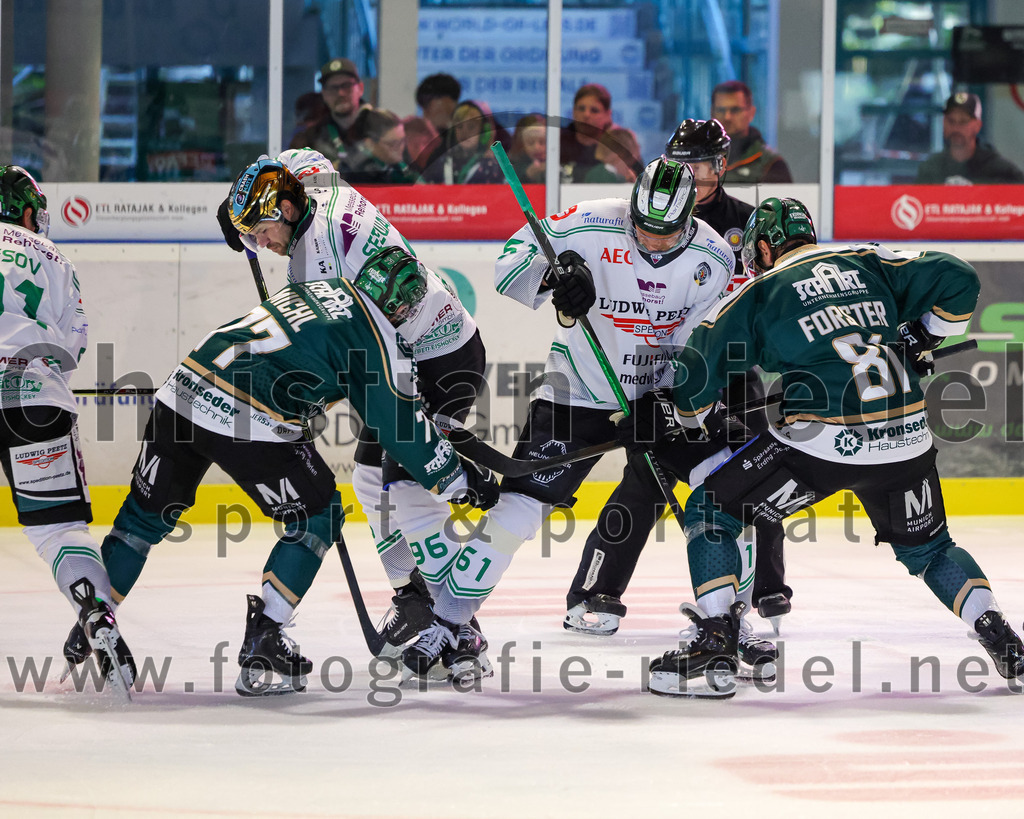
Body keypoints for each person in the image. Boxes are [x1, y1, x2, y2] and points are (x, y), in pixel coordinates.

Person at [647, 196, 1024, 698]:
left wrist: (686, 418)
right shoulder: (867, 261)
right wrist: (923, 337)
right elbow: (960, 277)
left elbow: (696, 375)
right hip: (906, 438)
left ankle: (716, 639)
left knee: (712, 508)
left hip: (825, 443)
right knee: (932, 550)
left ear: (762, 247)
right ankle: (1002, 637)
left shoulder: (761, 290)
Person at [87, 247, 498, 697]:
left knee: (141, 520)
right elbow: (401, 432)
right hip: (243, 417)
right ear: (402, 307)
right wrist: (460, 480)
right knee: (319, 514)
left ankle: (91, 619)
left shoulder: (323, 288)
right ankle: (265, 638)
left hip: (179, 395)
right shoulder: (376, 335)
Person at [398, 158, 737, 682]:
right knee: (518, 507)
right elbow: (509, 265)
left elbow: (706, 346)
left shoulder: (713, 257)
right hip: (576, 391)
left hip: (659, 398)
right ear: (631, 206)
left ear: (690, 217)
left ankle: (726, 626)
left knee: (727, 484)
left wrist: (667, 404)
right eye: (642, 228)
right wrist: (556, 277)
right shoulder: (590, 220)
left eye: (666, 234)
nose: (652, 243)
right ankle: (449, 620)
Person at [215, 149, 491, 677]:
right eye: (250, 236)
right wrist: (237, 206)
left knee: (407, 489)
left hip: (436, 360)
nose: (260, 245)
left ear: (288, 205)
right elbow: (293, 166)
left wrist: (300, 404)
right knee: (370, 481)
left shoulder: (312, 263)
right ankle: (414, 598)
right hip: (417, 352)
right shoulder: (325, 200)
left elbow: (344, 351)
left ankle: (459, 625)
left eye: (260, 231)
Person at [561, 120, 792, 653]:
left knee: (756, 478)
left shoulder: (744, 223)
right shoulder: (641, 217)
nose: (690, 174)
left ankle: (760, 592)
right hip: (671, 375)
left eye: (702, 164)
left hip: (733, 371)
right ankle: (595, 590)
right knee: (646, 477)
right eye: (681, 163)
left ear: (722, 166)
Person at [0, 165, 135, 698]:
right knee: (59, 532)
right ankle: (96, 616)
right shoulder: (52, 256)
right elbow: (73, 347)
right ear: (27, 212)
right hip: (34, 397)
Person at [915, 92, 1024, 185]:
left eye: (963, 121)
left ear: (977, 126)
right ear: (944, 124)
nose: (956, 128)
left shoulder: (998, 169)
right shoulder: (930, 169)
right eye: (951, 121)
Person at [288, 58, 373, 172]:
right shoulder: (310, 139)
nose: (340, 93)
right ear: (323, 94)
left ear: (360, 88)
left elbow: (402, 175)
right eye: (332, 88)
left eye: (346, 85)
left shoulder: (382, 129)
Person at [711, 80, 793, 184]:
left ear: (751, 113)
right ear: (711, 112)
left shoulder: (770, 164)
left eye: (735, 110)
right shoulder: (699, 159)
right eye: (721, 110)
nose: (727, 117)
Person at [418, 100, 510, 184]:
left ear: (483, 132)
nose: (464, 133)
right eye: (459, 127)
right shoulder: (441, 162)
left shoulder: (494, 167)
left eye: (471, 127)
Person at [343, 108, 417, 184]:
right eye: (393, 144)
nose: (401, 147)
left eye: (402, 140)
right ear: (370, 143)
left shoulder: (400, 165)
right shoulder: (357, 175)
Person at [561, 83, 614, 182]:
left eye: (594, 110)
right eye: (581, 109)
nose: (586, 115)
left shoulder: (618, 147)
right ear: (573, 111)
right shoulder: (557, 143)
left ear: (608, 114)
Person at [509, 113, 547, 184]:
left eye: (542, 142)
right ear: (523, 145)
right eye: (530, 142)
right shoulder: (514, 166)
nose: (536, 147)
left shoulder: (558, 164)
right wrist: (527, 175)